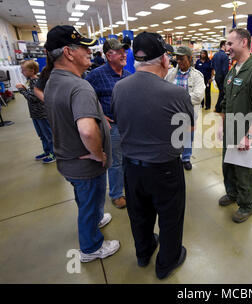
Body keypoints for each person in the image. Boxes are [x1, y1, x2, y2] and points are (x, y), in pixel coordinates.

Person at [111, 32, 193, 279]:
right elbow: (187, 130)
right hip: (165, 168)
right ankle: (166, 263)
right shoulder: (175, 93)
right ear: (164, 60)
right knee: (170, 216)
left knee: (139, 213)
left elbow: (118, 120)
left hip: (132, 168)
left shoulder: (119, 87)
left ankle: (143, 252)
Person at [43, 25, 120, 262]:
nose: (89, 51)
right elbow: (87, 130)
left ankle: (96, 218)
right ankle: (91, 248)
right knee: (88, 201)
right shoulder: (79, 86)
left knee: (88, 199)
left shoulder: (53, 81)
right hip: (84, 164)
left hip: (68, 159)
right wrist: (98, 154)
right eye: (83, 48)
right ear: (68, 52)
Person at [218, 28, 252, 223]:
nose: (227, 47)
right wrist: (222, 124)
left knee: (245, 171)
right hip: (231, 129)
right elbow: (225, 100)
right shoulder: (233, 70)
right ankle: (232, 194)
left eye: (230, 43)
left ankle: (247, 204)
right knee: (229, 166)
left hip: (247, 131)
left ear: (244, 43)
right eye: (226, 44)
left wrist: (248, 136)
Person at [85, 39, 131, 209]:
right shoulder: (96, 75)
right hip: (113, 128)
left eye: (124, 51)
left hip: (128, 125)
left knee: (128, 159)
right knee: (116, 161)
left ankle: (126, 187)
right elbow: (85, 98)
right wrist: (100, 115)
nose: (124, 55)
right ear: (108, 55)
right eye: (119, 52)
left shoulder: (127, 74)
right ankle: (117, 194)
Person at [165, 46, 205, 171]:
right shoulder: (171, 74)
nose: (179, 61)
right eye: (178, 59)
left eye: (182, 59)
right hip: (172, 113)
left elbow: (198, 97)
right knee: (173, 136)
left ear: (190, 59)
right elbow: (164, 91)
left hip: (189, 113)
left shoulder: (197, 76)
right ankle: (174, 157)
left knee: (188, 137)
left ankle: (186, 158)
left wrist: (176, 99)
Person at [16, 60, 55, 164]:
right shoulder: (30, 81)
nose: (22, 72)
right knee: (42, 135)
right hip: (35, 114)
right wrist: (25, 88)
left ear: (32, 70)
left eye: (24, 70)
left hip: (42, 113)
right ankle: (47, 151)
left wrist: (21, 90)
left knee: (48, 135)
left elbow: (33, 98)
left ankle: (53, 154)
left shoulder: (36, 81)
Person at [212, 40, 230, 113]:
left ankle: (219, 107)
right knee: (222, 92)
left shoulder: (215, 55)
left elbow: (212, 65)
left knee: (221, 92)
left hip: (217, 76)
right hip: (223, 77)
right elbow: (225, 69)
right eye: (226, 45)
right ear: (223, 46)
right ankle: (218, 108)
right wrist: (227, 79)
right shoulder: (225, 56)